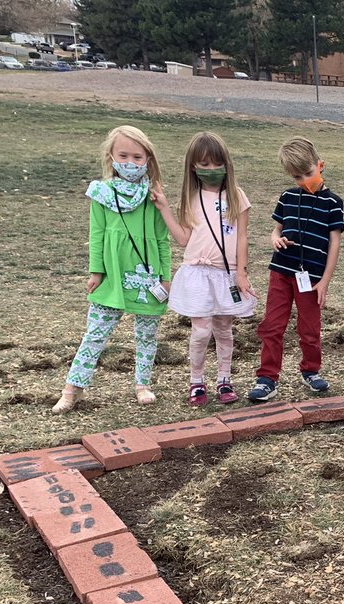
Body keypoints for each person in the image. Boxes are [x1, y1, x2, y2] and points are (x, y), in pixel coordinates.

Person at [54, 124, 171, 413]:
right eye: (124, 156)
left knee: (147, 334)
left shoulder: (154, 196)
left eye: (137, 157)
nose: (130, 163)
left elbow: (162, 239)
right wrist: (97, 271)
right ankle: (73, 388)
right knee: (95, 332)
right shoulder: (102, 193)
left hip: (147, 275)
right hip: (113, 274)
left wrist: (166, 277)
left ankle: (142, 384)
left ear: (148, 159)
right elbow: (96, 234)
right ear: (111, 157)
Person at [154, 131, 256, 406]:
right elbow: (183, 238)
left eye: (217, 163)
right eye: (205, 164)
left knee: (224, 329)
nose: (212, 169)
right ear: (193, 166)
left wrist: (242, 273)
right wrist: (164, 208)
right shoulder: (191, 198)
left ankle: (224, 379)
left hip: (227, 274)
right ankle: (196, 381)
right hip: (197, 273)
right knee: (200, 330)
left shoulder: (237, 196)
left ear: (226, 163)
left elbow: (242, 237)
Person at [249, 137, 344, 402]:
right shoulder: (287, 197)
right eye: (297, 177)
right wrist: (275, 239)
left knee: (309, 328)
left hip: (311, 278)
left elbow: (335, 243)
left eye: (308, 173)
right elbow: (276, 229)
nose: (303, 180)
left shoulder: (333, 203)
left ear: (320, 165)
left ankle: (311, 370)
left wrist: (325, 282)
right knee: (272, 325)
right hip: (281, 271)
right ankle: (267, 378)